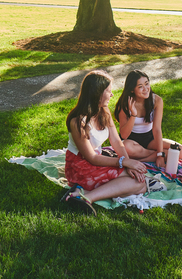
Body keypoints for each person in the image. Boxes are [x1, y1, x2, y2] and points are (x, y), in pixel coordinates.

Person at [63, 70, 147, 215]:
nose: (112, 94)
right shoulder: (77, 121)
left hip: (98, 160)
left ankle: (82, 194)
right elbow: (91, 158)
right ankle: (86, 197)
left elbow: (116, 141)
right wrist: (124, 163)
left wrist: (129, 163)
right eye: (108, 91)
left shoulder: (104, 111)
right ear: (97, 93)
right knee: (138, 184)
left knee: (140, 182)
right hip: (80, 166)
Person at [114, 70, 182, 169]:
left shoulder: (156, 100)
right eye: (140, 86)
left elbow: (156, 129)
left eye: (147, 84)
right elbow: (124, 135)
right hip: (131, 141)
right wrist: (133, 115)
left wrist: (160, 154)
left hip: (149, 139)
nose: (145, 89)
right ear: (132, 90)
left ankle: (140, 160)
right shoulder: (125, 104)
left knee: (180, 150)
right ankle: (153, 155)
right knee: (125, 146)